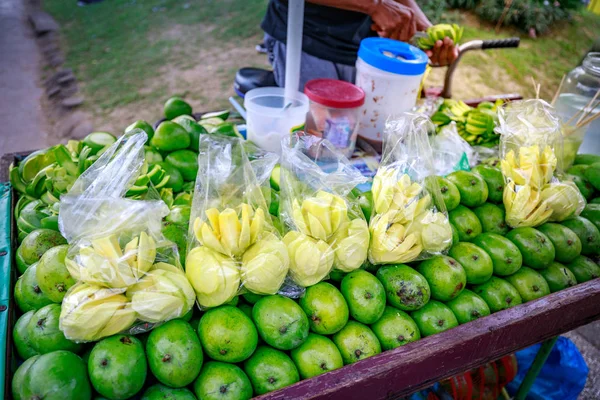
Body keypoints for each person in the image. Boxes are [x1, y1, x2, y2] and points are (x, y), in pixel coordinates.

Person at [261, 0, 459, 90]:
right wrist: (374, 5)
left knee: (361, 138)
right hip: (307, 38)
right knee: (315, 140)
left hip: (366, 47)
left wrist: (423, 28)